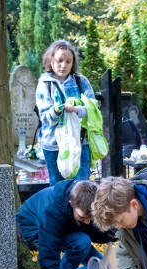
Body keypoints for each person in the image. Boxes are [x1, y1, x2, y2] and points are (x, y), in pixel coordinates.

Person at [16, 180, 115, 269]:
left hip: (66, 225)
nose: (87, 222)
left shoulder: (85, 199)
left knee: (104, 268)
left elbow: (90, 228)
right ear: (71, 204)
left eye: (91, 218)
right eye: (82, 217)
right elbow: (49, 261)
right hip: (32, 225)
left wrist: (111, 234)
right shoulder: (52, 213)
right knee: (82, 242)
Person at [36, 40, 96, 185]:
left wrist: (76, 110)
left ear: (73, 63)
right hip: (53, 145)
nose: (63, 65)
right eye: (59, 60)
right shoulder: (45, 84)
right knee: (58, 190)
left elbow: (94, 110)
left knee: (82, 189)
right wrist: (57, 111)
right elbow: (45, 117)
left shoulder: (81, 82)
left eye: (68, 61)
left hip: (80, 143)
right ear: (50, 61)